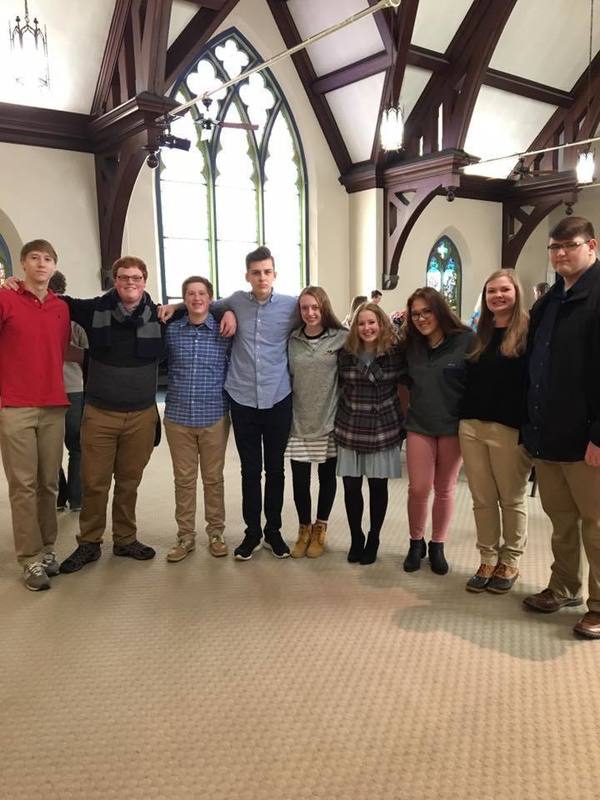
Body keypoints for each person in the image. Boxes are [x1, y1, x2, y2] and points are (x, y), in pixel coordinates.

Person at [56, 256, 164, 573]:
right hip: (100, 413)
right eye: (124, 277)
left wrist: (185, 307)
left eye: (136, 277)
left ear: (144, 281)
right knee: (94, 482)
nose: (130, 282)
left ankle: (125, 539)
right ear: (114, 280)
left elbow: (201, 306)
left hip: (142, 415)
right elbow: (57, 301)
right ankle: (89, 543)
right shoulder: (94, 309)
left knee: (129, 482)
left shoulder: (159, 315)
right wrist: (14, 285)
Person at [522, 216, 600, 639]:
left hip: (587, 437)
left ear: (592, 246)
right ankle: (565, 586)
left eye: (570, 245)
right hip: (548, 432)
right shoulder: (550, 300)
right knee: (561, 519)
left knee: (596, 523)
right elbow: (536, 365)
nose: (561, 253)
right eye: (554, 247)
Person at [214, 246, 298, 560]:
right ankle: (252, 533)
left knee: (275, 470)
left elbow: (320, 314)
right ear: (247, 275)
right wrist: (176, 306)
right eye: (256, 272)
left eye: (267, 272)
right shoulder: (235, 301)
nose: (262, 277)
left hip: (278, 397)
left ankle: (273, 531)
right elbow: (203, 304)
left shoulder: (291, 306)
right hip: (243, 398)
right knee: (250, 471)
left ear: (274, 274)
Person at [0, 240, 70, 590]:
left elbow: (58, 349)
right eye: (34, 258)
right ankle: (29, 558)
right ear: (23, 264)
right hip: (15, 406)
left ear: (54, 267)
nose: (41, 264)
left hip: (53, 405)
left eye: (48, 259)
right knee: (23, 486)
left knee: (49, 483)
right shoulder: (5, 298)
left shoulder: (61, 308)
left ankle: (47, 549)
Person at [459, 269, 531, 593]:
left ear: (516, 293)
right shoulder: (479, 333)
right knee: (482, 498)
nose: (497, 296)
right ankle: (488, 557)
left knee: (511, 497)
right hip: (471, 425)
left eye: (504, 290)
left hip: (509, 427)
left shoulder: (530, 331)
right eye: (491, 291)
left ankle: (510, 560)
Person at [400, 287, 473, 575]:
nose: (421, 318)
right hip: (419, 425)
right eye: (415, 314)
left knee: (445, 488)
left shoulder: (465, 340)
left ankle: (437, 544)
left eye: (426, 311)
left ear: (439, 310)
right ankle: (415, 542)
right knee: (418, 487)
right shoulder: (411, 344)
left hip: (453, 427)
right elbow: (402, 382)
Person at [163, 276, 231, 562]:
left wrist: (227, 312)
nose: (196, 298)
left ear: (210, 298)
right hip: (178, 417)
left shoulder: (225, 330)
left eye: (202, 293)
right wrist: (173, 308)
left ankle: (215, 532)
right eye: (190, 294)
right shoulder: (171, 330)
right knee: (184, 480)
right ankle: (185, 535)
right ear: (184, 299)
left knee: (213, 479)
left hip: (214, 415)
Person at [335, 302, 404, 565]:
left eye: (371, 322)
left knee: (378, 486)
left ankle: (374, 537)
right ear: (354, 327)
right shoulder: (345, 352)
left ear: (381, 324)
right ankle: (356, 537)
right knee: (351, 487)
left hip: (382, 427)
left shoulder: (395, 352)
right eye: (361, 323)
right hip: (350, 425)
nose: (367, 328)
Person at [286, 286, 346, 558]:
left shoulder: (340, 337)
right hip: (299, 419)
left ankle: (320, 527)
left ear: (324, 308)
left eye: (315, 307)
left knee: (326, 478)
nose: (310, 313)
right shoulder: (292, 339)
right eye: (304, 308)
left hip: (329, 420)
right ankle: (304, 528)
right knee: (300, 480)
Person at [48, 270, 88, 512]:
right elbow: (87, 361)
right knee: (74, 447)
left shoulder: (72, 323)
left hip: (63, 390)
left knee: (53, 448)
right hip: (70, 389)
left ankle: (64, 496)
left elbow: (85, 358)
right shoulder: (75, 323)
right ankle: (74, 498)